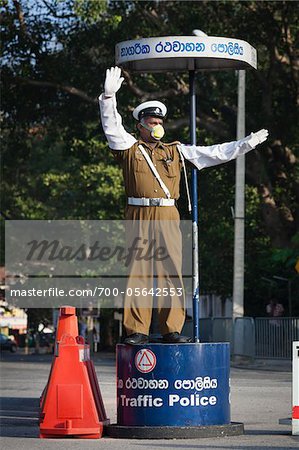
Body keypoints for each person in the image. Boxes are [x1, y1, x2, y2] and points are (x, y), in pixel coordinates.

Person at [99, 66, 268, 345]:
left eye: (158, 121)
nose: (155, 125)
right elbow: (112, 127)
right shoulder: (129, 147)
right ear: (140, 126)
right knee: (138, 272)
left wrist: (244, 145)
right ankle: (137, 331)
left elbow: (214, 153)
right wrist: (108, 98)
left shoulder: (176, 150)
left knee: (170, 270)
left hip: (167, 212)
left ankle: (171, 329)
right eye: (150, 121)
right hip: (138, 212)